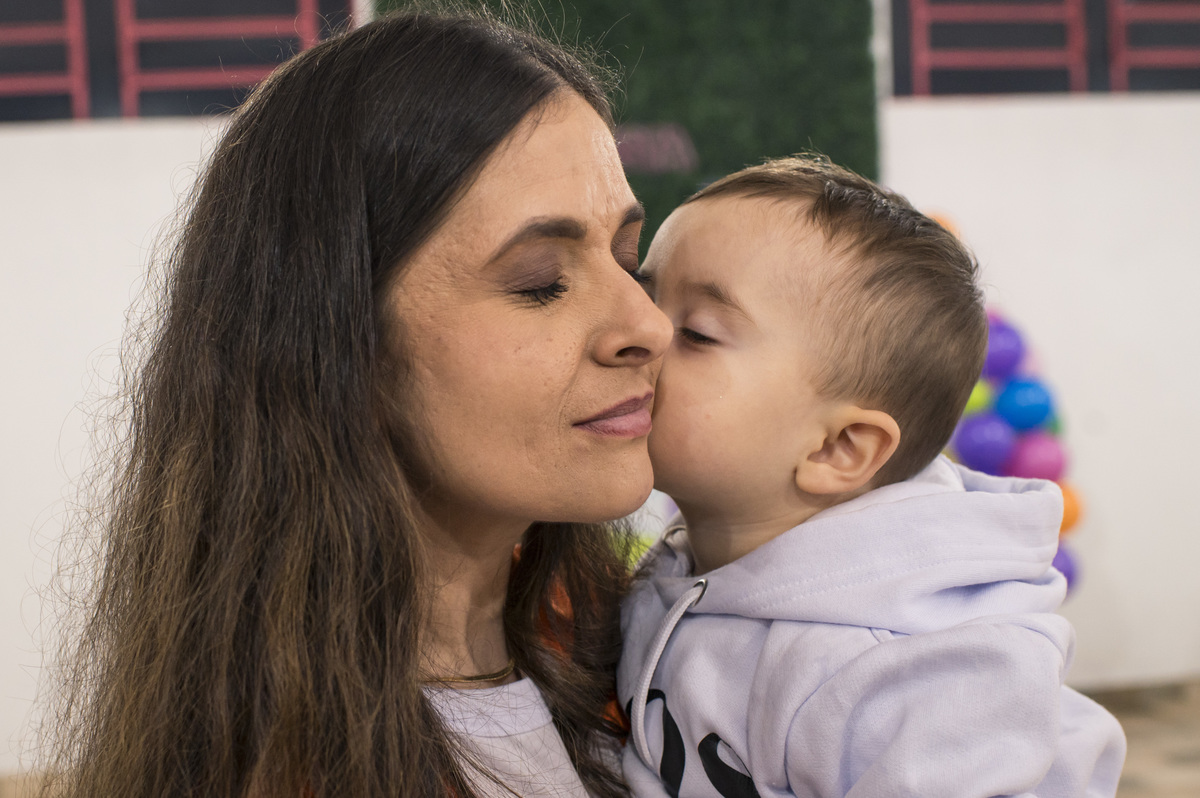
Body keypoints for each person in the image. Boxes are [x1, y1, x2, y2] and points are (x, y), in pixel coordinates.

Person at [40, 7, 673, 798]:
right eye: (540, 281)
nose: (647, 324)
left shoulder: (641, 640)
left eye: (627, 260)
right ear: (338, 349)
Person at [618, 155, 1126, 798]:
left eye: (695, 331)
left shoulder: (919, 674)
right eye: (643, 292)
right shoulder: (676, 574)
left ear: (839, 448)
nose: (637, 331)